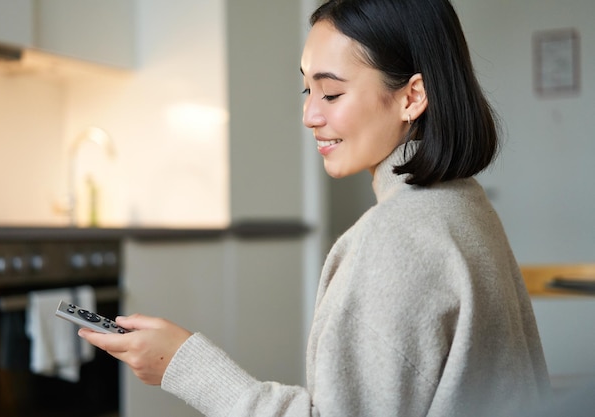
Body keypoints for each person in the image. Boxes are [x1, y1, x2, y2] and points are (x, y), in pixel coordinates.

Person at [79, 0, 552, 416]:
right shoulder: (463, 205)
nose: (310, 115)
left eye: (332, 92)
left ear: (412, 96)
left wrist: (181, 364)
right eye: (308, 90)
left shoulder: (396, 239)